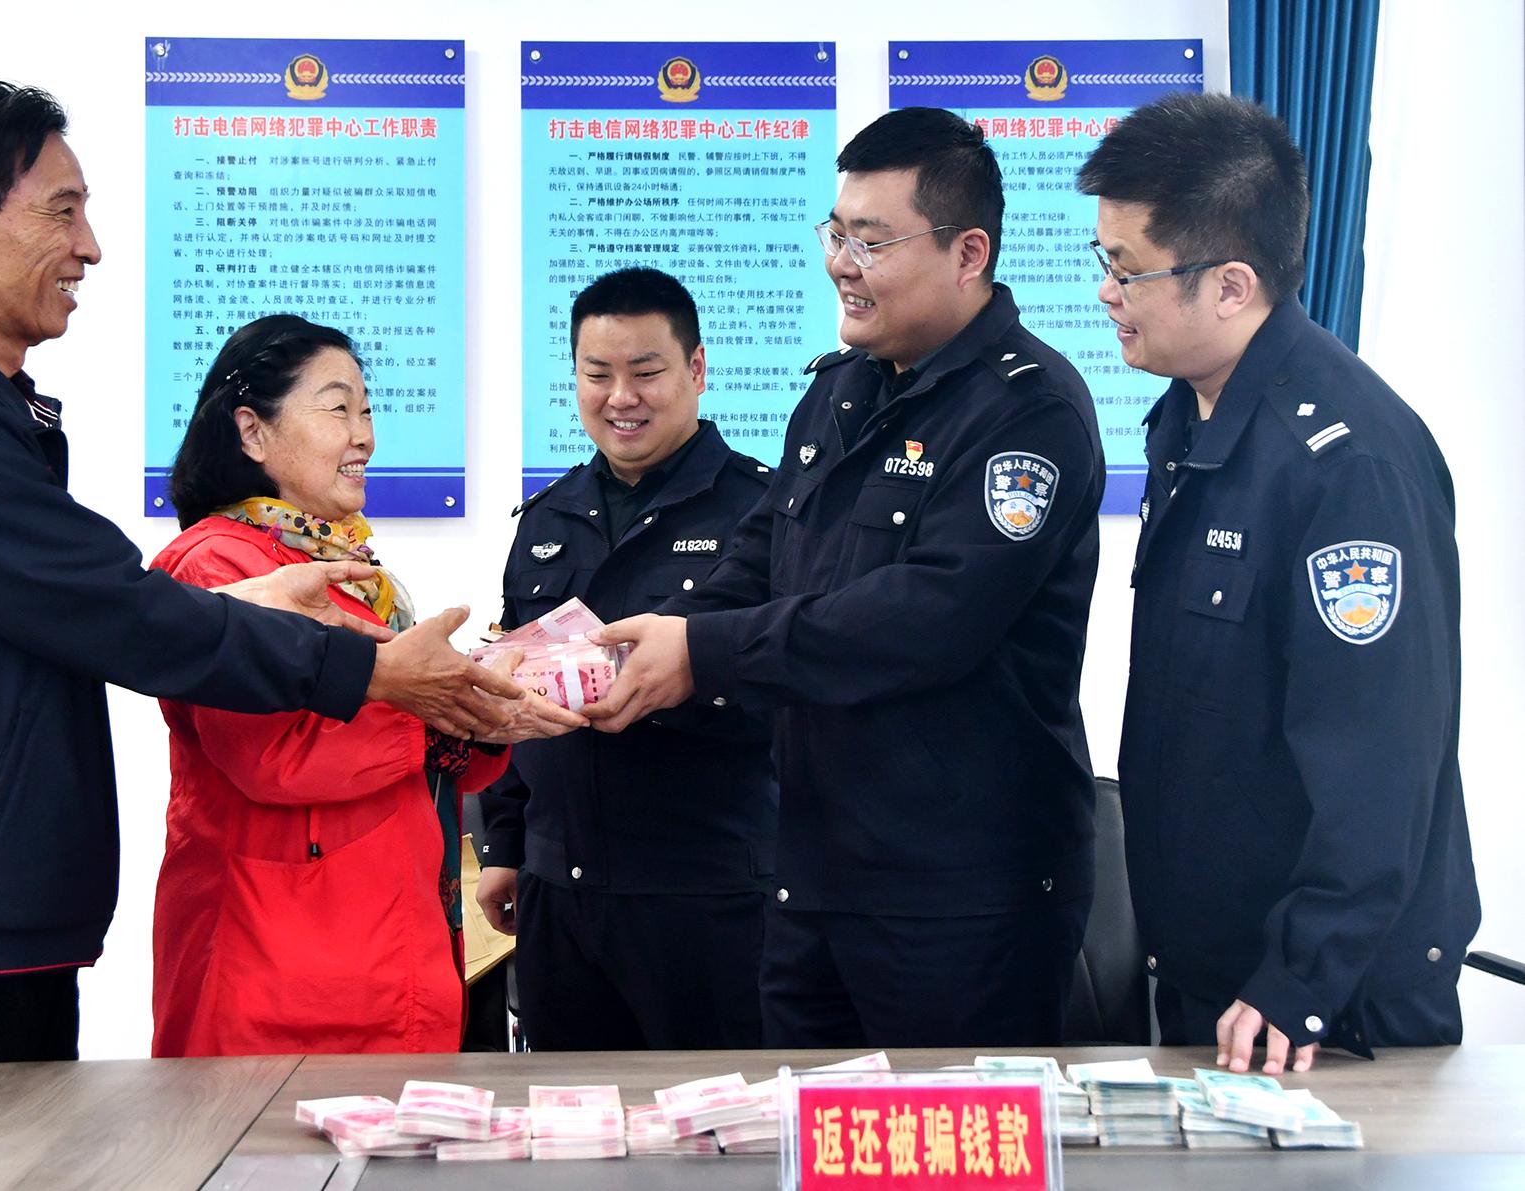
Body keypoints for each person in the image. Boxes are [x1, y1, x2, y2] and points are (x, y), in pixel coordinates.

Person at [0, 79, 527, 1069]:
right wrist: (387, 682)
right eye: (62, 211)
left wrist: (417, 690)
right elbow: (127, 621)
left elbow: (85, 610)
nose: (88, 246)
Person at [586, 108, 1106, 1048]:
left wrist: (702, 651)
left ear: (968, 253)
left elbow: (928, 618)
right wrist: (619, 650)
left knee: (946, 1132)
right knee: (808, 1124)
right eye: (836, 233)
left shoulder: (1030, 413)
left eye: (871, 241)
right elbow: (759, 559)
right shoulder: (841, 388)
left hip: (960, 900)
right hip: (814, 876)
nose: (840, 263)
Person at [1077, 92, 1480, 1073]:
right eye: (1103, 261)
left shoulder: (1346, 463)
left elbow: (1380, 760)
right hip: (1217, 979)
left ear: (1230, 286)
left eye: (1127, 269)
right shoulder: (1189, 420)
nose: (1106, 293)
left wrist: (1300, 976)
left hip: (1320, 1010)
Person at [149, 315, 580, 1056]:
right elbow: (272, 755)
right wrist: (437, 708)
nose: (365, 437)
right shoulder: (214, 565)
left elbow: (416, 755)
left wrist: (481, 712)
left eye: (368, 410)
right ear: (252, 432)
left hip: (387, 954)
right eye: (338, 409)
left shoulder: (349, 571)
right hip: (277, 970)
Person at [474, 268, 777, 1050]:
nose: (621, 398)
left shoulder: (764, 512)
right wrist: (505, 848)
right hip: (558, 895)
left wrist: (678, 683)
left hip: (709, 892)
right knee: (569, 1114)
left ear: (697, 369)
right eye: (597, 374)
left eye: (646, 372)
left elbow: (795, 684)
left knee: (717, 1115)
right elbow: (513, 683)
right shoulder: (547, 518)